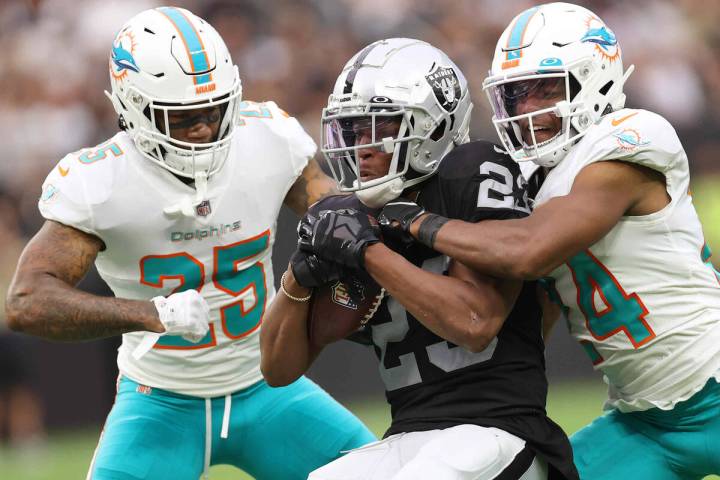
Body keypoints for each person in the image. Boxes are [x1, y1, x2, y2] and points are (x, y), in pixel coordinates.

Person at [5, 7, 374, 480]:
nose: (203, 127)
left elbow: (336, 219)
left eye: (215, 110)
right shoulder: (103, 181)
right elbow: (25, 300)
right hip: (159, 402)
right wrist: (149, 314)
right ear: (132, 109)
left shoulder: (267, 140)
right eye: (182, 117)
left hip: (268, 386)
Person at [372, 3, 720, 479]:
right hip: (644, 421)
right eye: (515, 96)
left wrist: (418, 222)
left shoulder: (628, 140)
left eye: (544, 90)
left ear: (594, 78)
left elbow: (529, 250)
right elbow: (533, 313)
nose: (528, 110)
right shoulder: (530, 178)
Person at [260, 37, 578, 480]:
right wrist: (299, 274)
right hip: (410, 434)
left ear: (434, 124)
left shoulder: (471, 169)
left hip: (500, 429)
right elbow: (277, 368)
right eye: (354, 131)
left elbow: (475, 323)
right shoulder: (352, 214)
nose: (362, 148)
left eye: (382, 128)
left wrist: (368, 253)